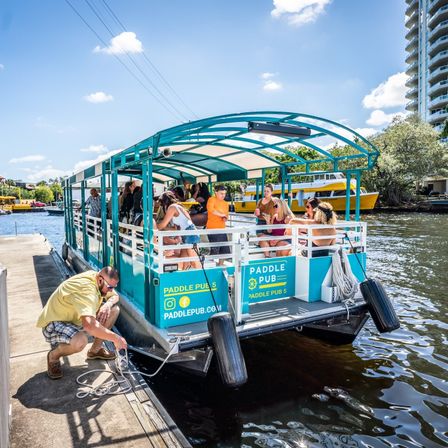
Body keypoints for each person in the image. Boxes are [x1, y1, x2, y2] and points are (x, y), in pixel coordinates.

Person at [36, 266, 127, 379]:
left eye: (113, 287)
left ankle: (95, 351)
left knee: (114, 310)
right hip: (55, 322)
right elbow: (89, 325)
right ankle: (53, 356)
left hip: (75, 318)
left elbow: (115, 296)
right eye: (109, 287)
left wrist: (108, 305)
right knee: (80, 341)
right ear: (100, 280)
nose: (111, 290)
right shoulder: (87, 289)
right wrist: (116, 339)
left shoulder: (96, 277)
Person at [157, 191, 201, 269]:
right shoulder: (178, 207)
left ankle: (201, 279)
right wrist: (163, 228)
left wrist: (153, 227)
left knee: (195, 263)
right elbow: (175, 228)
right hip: (188, 234)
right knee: (184, 260)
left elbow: (162, 225)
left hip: (189, 235)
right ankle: (186, 279)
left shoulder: (172, 207)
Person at [206, 185, 230, 265]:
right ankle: (211, 266)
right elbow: (211, 210)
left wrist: (224, 218)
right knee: (215, 250)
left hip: (222, 228)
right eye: (221, 193)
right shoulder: (211, 199)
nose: (223, 195)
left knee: (225, 250)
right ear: (216, 193)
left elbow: (226, 215)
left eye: (224, 194)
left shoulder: (226, 203)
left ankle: (220, 265)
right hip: (212, 228)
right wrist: (221, 215)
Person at [254, 184, 276, 257]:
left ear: (272, 192)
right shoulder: (260, 201)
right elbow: (256, 213)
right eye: (265, 191)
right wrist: (256, 213)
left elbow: (277, 213)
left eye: (268, 191)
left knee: (263, 240)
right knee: (262, 238)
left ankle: (267, 256)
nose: (266, 192)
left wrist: (269, 219)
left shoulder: (274, 202)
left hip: (270, 223)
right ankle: (267, 257)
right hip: (260, 224)